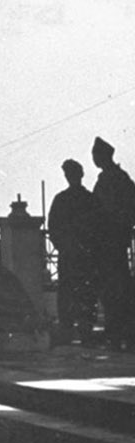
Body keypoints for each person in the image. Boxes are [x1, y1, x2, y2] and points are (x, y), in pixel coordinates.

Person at [47, 159, 99, 344]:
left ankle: (69, 329)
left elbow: (53, 228)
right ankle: (85, 330)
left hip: (72, 254)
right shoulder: (90, 199)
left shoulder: (62, 199)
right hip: (84, 254)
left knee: (70, 292)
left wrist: (64, 246)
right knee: (85, 292)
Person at [90, 136, 135, 349]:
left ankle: (119, 332)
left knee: (115, 290)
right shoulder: (117, 179)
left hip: (111, 242)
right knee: (116, 289)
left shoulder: (113, 180)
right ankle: (119, 332)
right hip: (111, 242)